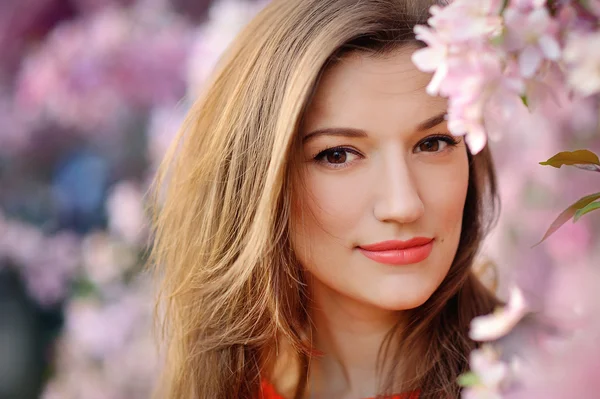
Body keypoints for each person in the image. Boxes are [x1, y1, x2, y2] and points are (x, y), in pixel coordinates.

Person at [148, 0, 501, 398]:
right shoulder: (216, 389)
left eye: (433, 143)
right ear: (259, 180)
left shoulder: (545, 374)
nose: (403, 204)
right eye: (338, 155)